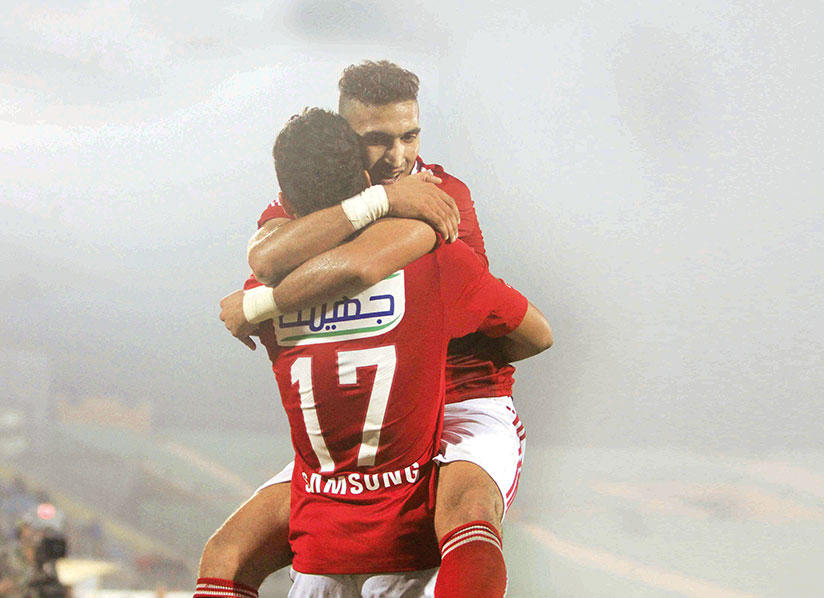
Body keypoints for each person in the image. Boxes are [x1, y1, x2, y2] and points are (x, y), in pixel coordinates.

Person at [196, 61, 545, 597]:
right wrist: (375, 202)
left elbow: (361, 264)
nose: (399, 157)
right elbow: (267, 257)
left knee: (467, 507)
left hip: (460, 398)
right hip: (372, 422)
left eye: (410, 136)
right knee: (230, 552)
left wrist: (260, 304)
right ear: (344, 139)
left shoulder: (439, 192)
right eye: (378, 140)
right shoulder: (317, 199)